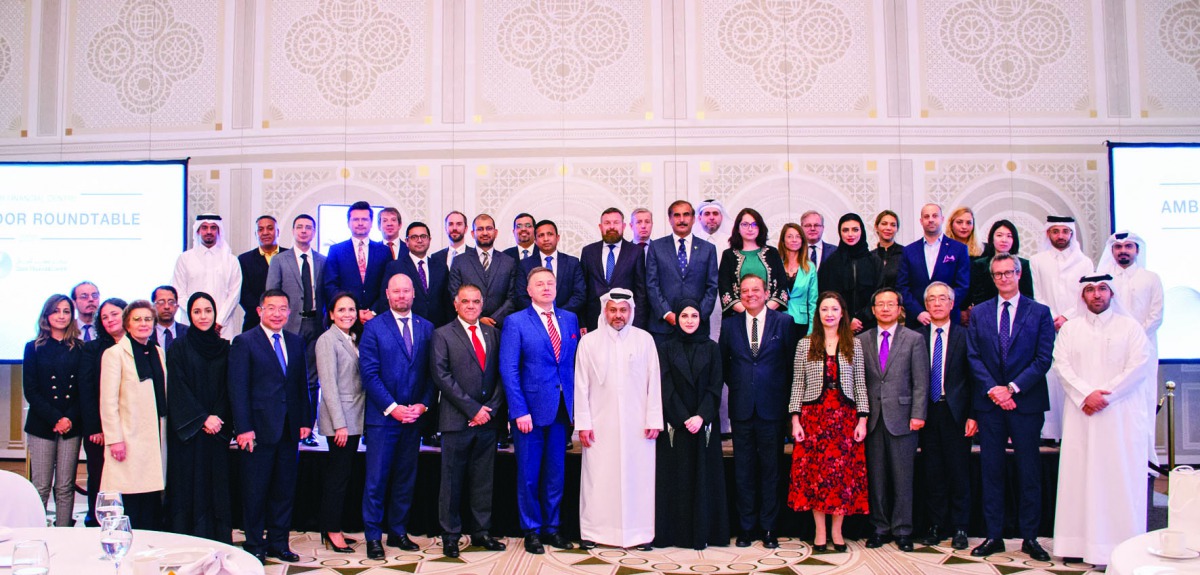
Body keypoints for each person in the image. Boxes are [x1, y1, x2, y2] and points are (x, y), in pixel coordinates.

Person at [1051, 274, 1153, 567]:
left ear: (1112, 293)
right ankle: (1076, 544)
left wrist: (1105, 397)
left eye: (1102, 289)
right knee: (1080, 477)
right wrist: (1086, 395)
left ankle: (1119, 547)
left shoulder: (1130, 327)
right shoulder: (1071, 330)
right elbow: (1062, 366)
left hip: (1117, 416)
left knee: (1116, 477)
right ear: (1082, 296)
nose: (1097, 295)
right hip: (1082, 414)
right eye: (1091, 290)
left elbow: (1139, 366)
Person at [965, 253, 1054, 561]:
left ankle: (1030, 537)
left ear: (1019, 274)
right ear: (992, 278)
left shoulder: (1040, 312)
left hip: (1025, 402)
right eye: (998, 274)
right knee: (992, 471)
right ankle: (994, 535)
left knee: (1029, 471)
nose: (1003, 278)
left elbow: (1043, 358)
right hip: (990, 405)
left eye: (1008, 273)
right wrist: (994, 390)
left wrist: (1012, 388)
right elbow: (973, 356)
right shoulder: (979, 313)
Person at [499, 267, 581, 554]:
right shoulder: (516, 322)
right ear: (529, 290)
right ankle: (531, 530)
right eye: (539, 284)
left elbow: (572, 366)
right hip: (529, 414)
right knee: (530, 474)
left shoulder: (569, 319)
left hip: (561, 410)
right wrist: (519, 410)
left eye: (550, 283)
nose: (546, 287)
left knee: (556, 474)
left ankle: (552, 528)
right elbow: (509, 369)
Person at [574, 289, 663, 550]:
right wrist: (583, 424)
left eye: (623, 310)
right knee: (598, 479)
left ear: (631, 312)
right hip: (600, 426)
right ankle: (594, 532)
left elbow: (653, 381)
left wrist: (653, 419)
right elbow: (581, 386)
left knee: (639, 479)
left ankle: (640, 534)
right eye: (613, 310)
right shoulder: (589, 342)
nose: (618, 315)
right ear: (604, 311)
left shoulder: (644, 340)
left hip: (638, 427)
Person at [228, 290, 311, 563]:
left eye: (282, 308)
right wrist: (243, 428)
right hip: (257, 431)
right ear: (259, 311)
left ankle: (279, 543)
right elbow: (238, 389)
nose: (277, 313)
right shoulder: (244, 342)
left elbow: (301, 386)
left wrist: (304, 422)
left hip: (289, 429)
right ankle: (254, 543)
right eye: (271, 308)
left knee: (283, 490)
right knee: (255, 490)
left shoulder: (296, 342)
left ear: (289, 312)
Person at [359, 273, 434, 558]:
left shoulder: (426, 327)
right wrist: (393, 408)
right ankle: (373, 537)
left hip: (414, 419)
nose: (402, 296)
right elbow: (369, 374)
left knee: (405, 477)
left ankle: (398, 532)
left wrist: (423, 405)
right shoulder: (374, 328)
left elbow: (431, 373)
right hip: (383, 419)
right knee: (376, 480)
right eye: (396, 292)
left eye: (406, 291)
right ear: (387, 295)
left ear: (414, 294)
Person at [431, 284, 508, 557]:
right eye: (466, 301)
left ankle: (481, 532)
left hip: (488, 421)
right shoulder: (442, 334)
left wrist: (490, 409)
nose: (472, 306)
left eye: (476, 301)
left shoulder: (493, 334)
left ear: (482, 303)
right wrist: (472, 409)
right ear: (456, 304)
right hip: (456, 421)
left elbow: (503, 373)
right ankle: (450, 535)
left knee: (483, 480)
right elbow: (442, 377)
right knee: (451, 481)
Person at [789, 291, 868, 552]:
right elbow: (797, 384)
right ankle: (819, 531)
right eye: (824, 309)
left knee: (841, 476)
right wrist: (795, 419)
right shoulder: (805, 344)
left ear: (842, 313)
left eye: (834, 309)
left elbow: (860, 384)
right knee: (815, 475)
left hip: (844, 417)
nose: (830, 314)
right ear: (818, 313)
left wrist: (862, 419)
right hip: (814, 418)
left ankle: (837, 531)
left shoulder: (854, 344)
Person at [720, 275, 796, 548]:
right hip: (741, 409)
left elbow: (790, 366)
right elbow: (725, 366)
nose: (750, 294)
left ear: (766, 293)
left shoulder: (784, 323)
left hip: (772, 409)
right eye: (745, 290)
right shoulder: (729, 326)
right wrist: (743, 387)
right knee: (743, 471)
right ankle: (747, 528)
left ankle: (769, 529)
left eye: (756, 290)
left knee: (771, 470)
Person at [654, 299, 729, 550]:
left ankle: (706, 532)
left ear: (701, 319)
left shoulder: (712, 347)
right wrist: (683, 416)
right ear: (677, 318)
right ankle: (677, 534)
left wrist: (701, 416)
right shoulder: (665, 348)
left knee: (704, 477)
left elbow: (715, 385)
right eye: (684, 315)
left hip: (703, 423)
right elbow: (665, 385)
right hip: (676, 424)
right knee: (678, 478)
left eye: (694, 316)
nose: (688, 320)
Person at [858, 288, 929, 552]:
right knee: (876, 479)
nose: (885, 308)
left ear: (900, 309)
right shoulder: (861, 340)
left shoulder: (913, 339)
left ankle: (903, 530)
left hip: (904, 418)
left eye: (891, 304)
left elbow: (921, 382)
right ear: (873, 309)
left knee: (903, 478)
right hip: (873, 420)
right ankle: (879, 527)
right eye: (880, 304)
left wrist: (918, 414)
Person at [166, 293, 232, 544]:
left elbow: (230, 388)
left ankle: (217, 539)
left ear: (215, 314)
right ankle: (187, 540)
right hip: (189, 433)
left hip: (218, 431)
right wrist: (202, 418)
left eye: (207, 311)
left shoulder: (225, 348)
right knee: (188, 486)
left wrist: (217, 417)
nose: (203, 316)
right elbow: (177, 388)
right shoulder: (178, 348)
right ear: (189, 315)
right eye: (197, 311)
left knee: (216, 485)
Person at [1098, 230, 1164, 467]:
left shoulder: (1151, 278)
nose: (1123, 251)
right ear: (1112, 251)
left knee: (1142, 401)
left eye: (1128, 246)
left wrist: (1133, 339)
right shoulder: (1103, 280)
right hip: (1109, 350)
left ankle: (1143, 457)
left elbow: (1156, 316)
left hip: (1143, 350)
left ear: (1137, 250)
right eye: (1118, 247)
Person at [100, 300, 167, 530]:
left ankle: (150, 546)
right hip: (128, 437)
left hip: (154, 435)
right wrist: (115, 439)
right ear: (127, 324)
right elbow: (108, 402)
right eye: (137, 319)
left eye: (148, 319)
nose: (143, 324)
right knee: (130, 496)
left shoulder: (158, 351)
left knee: (151, 497)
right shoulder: (114, 354)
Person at [918, 282, 974, 550]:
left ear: (952, 304)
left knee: (959, 471)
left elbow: (975, 378)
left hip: (957, 413)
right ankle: (936, 525)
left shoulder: (966, 336)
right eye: (932, 299)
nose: (937, 303)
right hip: (927, 412)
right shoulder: (916, 336)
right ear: (926, 305)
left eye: (943, 299)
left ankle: (961, 526)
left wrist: (974, 415)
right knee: (933, 471)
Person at [1028, 215, 1093, 442]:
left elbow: (1086, 295)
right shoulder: (1037, 261)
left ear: (1071, 234)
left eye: (1065, 232)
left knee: (1073, 372)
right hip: (1046, 324)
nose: (1061, 236)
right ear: (1048, 234)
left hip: (1075, 324)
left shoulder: (1084, 263)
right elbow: (1037, 294)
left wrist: (1066, 316)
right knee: (1050, 376)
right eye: (1056, 231)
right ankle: (1050, 431)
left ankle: (1072, 431)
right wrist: (1052, 317)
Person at [23, 294, 84, 527]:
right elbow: (31, 390)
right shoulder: (33, 347)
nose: (61, 315)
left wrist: (68, 418)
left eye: (66, 311)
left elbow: (83, 389)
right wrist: (56, 418)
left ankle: (63, 532)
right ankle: (37, 534)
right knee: (40, 485)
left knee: (65, 486)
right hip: (42, 425)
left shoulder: (79, 348)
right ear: (46, 315)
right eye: (56, 311)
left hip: (72, 424)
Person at [265, 214, 325, 446]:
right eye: (299, 227)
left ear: (314, 232)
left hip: (315, 326)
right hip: (289, 325)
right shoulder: (280, 260)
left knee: (312, 380)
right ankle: (284, 426)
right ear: (292, 230)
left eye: (308, 227)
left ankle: (308, 429)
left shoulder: (322, 260)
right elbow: (271, 293)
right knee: (287, 377)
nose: (303, 231)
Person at [314, 291, 365, 553]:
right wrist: (339, 425)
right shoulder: (327, 340)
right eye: (341, 310)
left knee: (344, 476)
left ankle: (335, 526)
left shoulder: (353, 338)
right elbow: (329, 386)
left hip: (356, 418)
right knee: (337, 478)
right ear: (331, 314)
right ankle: (331, 531)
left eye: (351, 309)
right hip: (341, 422)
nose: (347, 314)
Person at [79, 297, 126, 526]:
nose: (109, 320)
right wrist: (95, 428)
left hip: (131, 427)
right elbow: (86, 390)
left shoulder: (141, 344)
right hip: (101, 430)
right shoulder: (93, 348)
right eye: (104, 317)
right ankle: (97, 521)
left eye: (114, 314)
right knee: (99, 477)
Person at [646, 200, 719, 342]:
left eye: (686, 215)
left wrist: (696, 317)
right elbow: (651, 285)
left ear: (693, 219)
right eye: (677, 215)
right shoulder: (656, 247)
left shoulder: (708, 249)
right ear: (670, 219)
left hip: (697, 328)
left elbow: (712, 287)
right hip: (664, 327)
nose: (682, 220)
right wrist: (667, 314)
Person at [896, 204, 971, 328]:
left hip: (949, 318)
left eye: (935, 216)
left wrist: (944, 308)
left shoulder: (959, 249)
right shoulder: (909, 251)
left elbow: (963, 285)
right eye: (926, 216)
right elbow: (902, 286)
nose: (930, 219)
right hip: (918, 321)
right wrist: (918, 312)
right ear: (921, 221)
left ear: (942, 219)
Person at [323, 201, 394, 324]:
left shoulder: (384, 251)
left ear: (371, 223)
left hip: (376, 318)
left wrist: (373, 311)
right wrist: (351, 310)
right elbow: (331, 285)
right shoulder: (336, 250)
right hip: (345, 319)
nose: (360, 223)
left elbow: (388, 285)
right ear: (348, 223)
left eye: (365, 219)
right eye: (356, 219)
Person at [173, 214, 242, 340]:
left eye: (213, 228)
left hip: (222, 327)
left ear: (219, 230)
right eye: (204, 227)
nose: (209, 232)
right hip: (191, 324)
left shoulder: (231, 261)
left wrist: (219, 321)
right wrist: (197, 317)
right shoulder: (184, 259)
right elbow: (179, 293)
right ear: (198, 230)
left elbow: (234, 295)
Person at [580, 207, 649, 332]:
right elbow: (582, 289)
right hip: (594, 322)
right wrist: (582, 322)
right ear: (600, 227)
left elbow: (641, 293)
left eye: (616, 223)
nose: (612, 227)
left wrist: (637, 324)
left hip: (626, 322)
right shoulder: (588, 251)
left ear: (623, 226)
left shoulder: (636, 252)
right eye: (607, 223)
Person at [449, 214, 519, 328]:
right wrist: (479, 318)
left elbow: (512, 298)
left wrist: (493, 320)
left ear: (495, 232)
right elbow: (455, 295)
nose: (485, 233)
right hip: (467, 327)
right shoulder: (459, 261)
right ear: (472, 234)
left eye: (489, 228)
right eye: (480, 229)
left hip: (500, 327)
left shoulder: (509, 262)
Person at [817, 213, 883, 333]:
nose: (850, 234)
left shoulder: (874, 261)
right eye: (845, 230)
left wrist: (861, 318)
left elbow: (879, 293)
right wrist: (848, 320)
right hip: (839, 325)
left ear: (862, 231)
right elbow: (826, 295)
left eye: (855, 230)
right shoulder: (831, 263)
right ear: (840, 233)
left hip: (870, 325)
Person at [718, 208, 788, 316]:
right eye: (745, 224)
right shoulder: (728, 255)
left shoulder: (772, 253)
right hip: (738, 316)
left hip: (770, 315)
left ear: (760, 228)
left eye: (754, 224)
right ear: (737, 228)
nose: (750, 229)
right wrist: (747, 314)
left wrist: (764, 312)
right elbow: (724, 288)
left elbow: (782, 285)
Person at [379, 221, 451, 326]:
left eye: (423, 236)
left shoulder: (441, 267)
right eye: (414, 237)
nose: (419, 240)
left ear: (429, 240)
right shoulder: (395, 267)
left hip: (438, 328)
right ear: (407, 242)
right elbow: (385, 300)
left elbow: (447, 302)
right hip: (407, 328)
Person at [515, 220, 587, 317]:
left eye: (550, 234)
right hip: (534, 320)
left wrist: (557, 314)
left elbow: (579, 295)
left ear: (557, 238)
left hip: (565, 318)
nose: (546, 239)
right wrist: (541, 314)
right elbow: (521, 296)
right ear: (535, 241)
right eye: (541, 235)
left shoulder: (572, 262)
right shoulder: (525, 265)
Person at [969, 220, 1034, 305]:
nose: (1004, 240)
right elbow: (977, 296)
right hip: (987, 312)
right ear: (992, 238)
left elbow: (1027, 295)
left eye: (1009, 236)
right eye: (999, 235)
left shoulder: (1024, 265)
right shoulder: (979, 265)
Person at [238, 215, 285, 331]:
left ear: (277, 232)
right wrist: (264, 312)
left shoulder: (289, 256)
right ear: (256, 234)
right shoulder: (245, 259)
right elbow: (244, 293)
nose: (265, 233)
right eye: (260, 229)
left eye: (270, 228)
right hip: (254, 321)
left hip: (285, 321)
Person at [779, 223, 818, 339]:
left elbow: (813, 301)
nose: (794, 240)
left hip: (801, 322)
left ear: (802, 240)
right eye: (790, 236)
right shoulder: (776, 264)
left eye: (798, 236)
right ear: (783, 240)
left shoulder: (809, 267)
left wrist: (812, 330)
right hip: (779, 320)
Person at [148, 285, 188, 350]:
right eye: (161, 302)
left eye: (171, 302)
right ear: (152, 306)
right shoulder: (146, 333)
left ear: (177, 306)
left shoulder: (188, 333)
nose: (166, 306)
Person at [873, 211, 903, 288]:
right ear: (876, 227)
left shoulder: (905, 254)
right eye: (884, 224)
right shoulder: (869, 256)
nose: (888, 228)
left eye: (893, 225)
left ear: (897, 229)